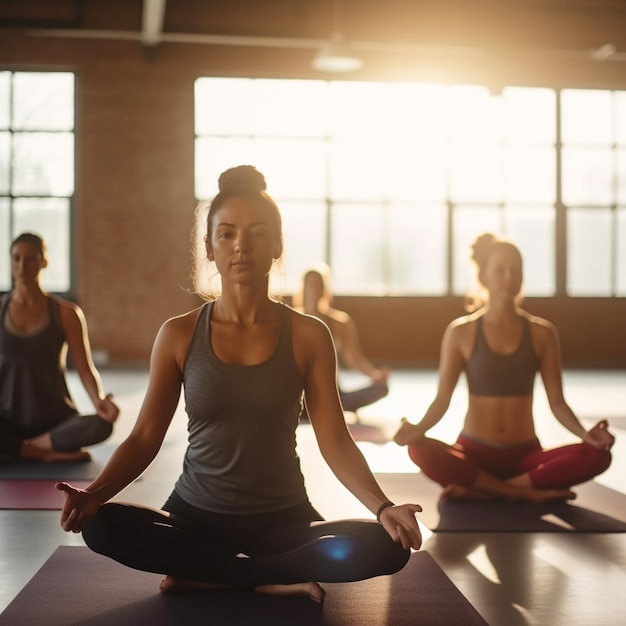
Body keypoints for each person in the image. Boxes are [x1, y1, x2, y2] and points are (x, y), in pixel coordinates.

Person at [56, 165, 422, 603]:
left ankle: (210, 575)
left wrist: (383, 508)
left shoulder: (308, 335)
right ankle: (270, 578)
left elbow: (335, 440)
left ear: (277, 244)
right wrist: (95, 495)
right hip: (194, 518)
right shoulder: (178, 334)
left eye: (257, 233)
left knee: (387, 546)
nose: (241, 246)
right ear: (209, 247)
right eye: (226, 234)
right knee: (101, 526)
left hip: (285, 520)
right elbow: (145, 437)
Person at [394, 232, 614, 503]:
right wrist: (418, 428)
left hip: (525, 457)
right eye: (500, 270)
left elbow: (557, 402)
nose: (509, 276)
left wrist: (585, 434)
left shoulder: (542, 333)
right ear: (483, 276)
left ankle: (486, 489)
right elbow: (442, 399)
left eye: (515, 270)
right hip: (473, 453)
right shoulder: (461, 332)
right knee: (418, 449)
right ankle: (520, 493)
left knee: (598, 455)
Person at [0, 232, 120, 463]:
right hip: (8, 420)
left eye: (30, 259)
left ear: (43, 262)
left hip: (54, 423)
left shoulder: (66, 313)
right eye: (16, 258)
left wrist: (99, 401)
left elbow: (85, 369)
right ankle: (46, 455)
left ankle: (20, 451)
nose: (22, 266)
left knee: (101, 425)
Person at [294, 264, 390, 419]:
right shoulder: (291, 320)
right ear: (302, 289)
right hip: (297, 393)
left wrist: (375, 374)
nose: (313, 290)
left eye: (318, 285)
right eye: (310, 285)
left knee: (381, 388)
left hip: (332, 392)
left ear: (324, 289)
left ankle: (332, 408)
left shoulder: (340, 323)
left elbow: (355, 358)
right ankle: (313, 410)